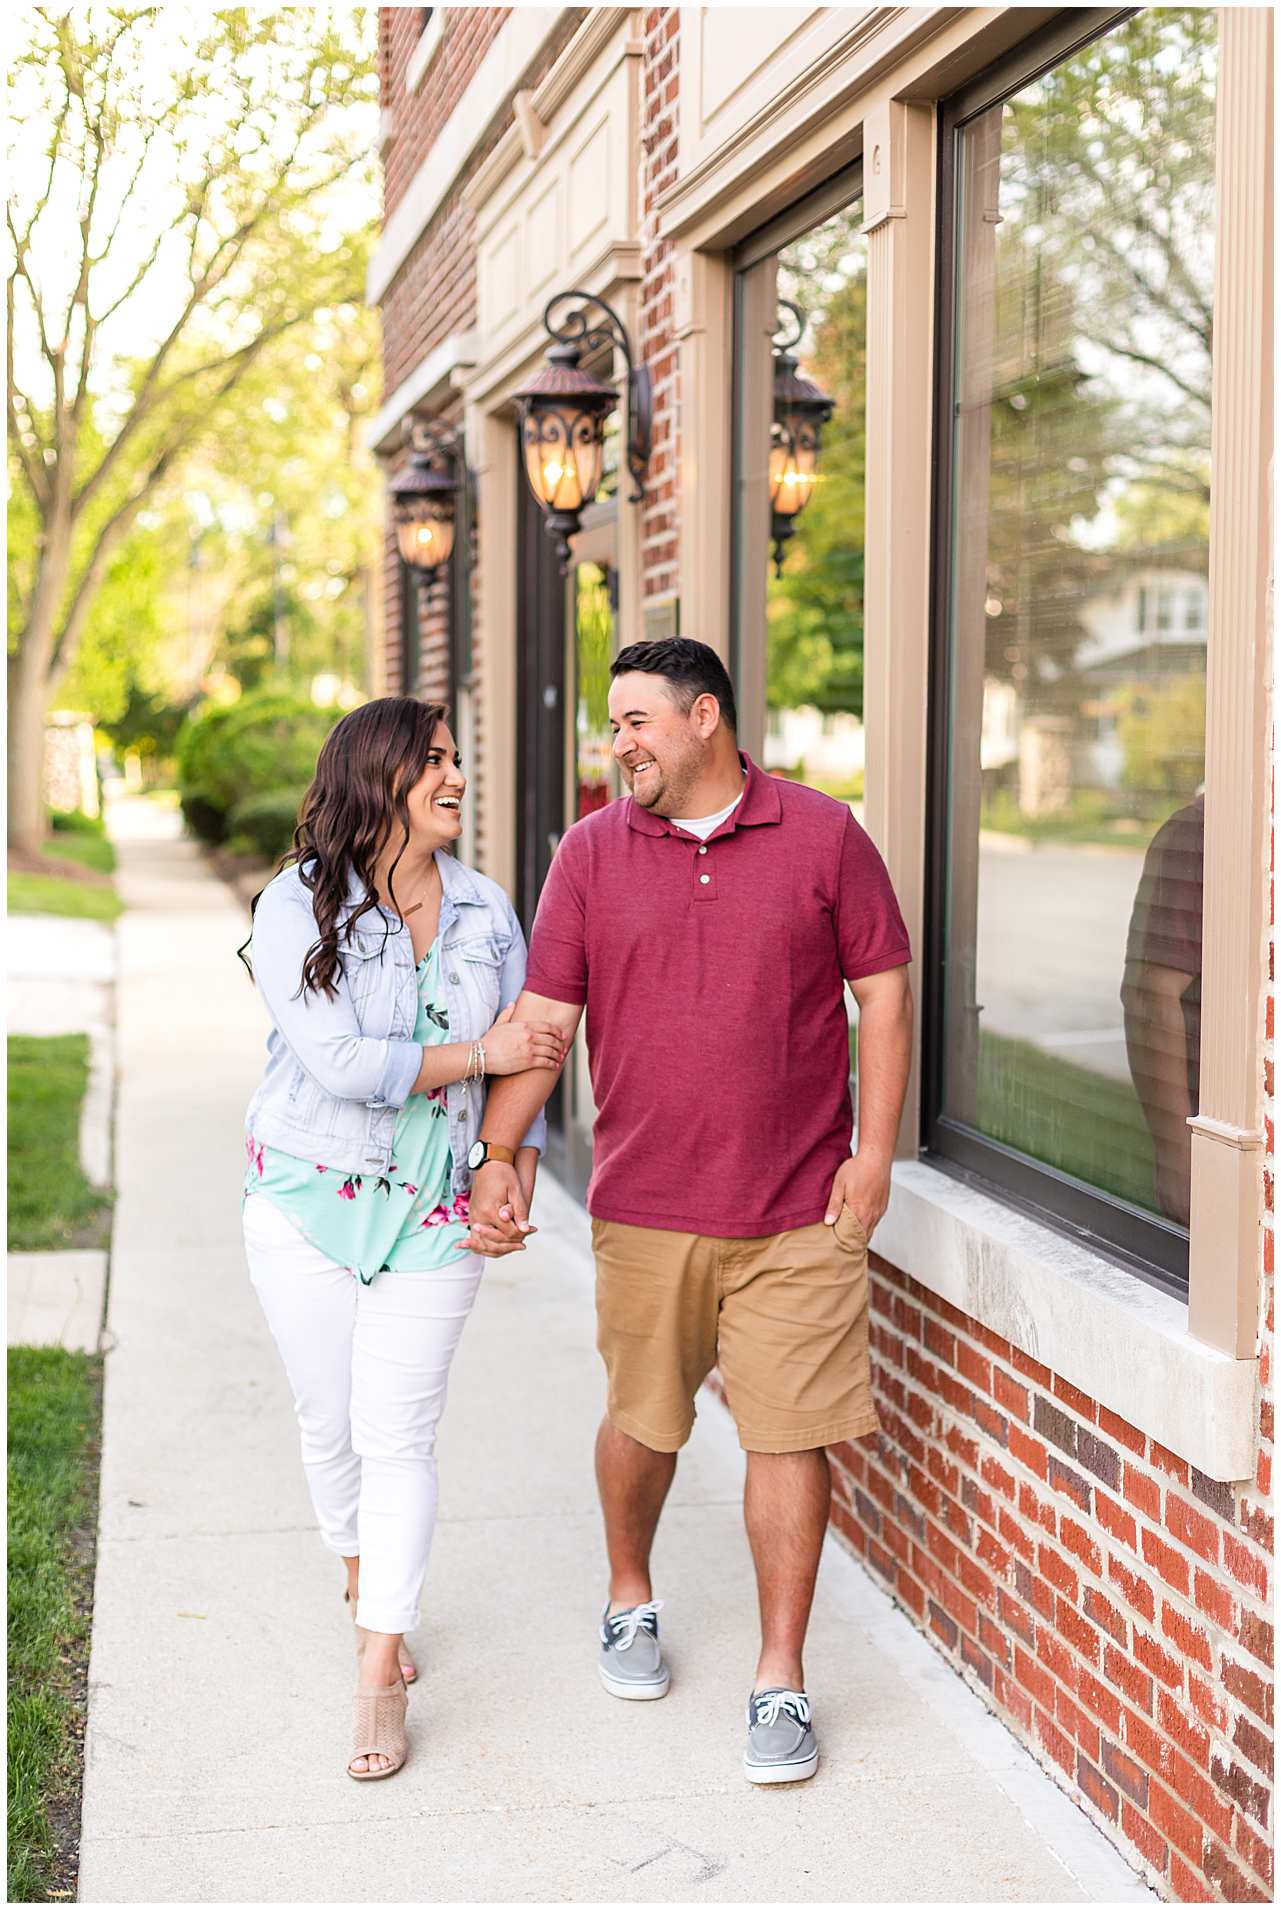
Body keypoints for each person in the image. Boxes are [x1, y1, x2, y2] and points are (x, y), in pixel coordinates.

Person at [462, 638, 913, 1785]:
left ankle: (780, 1674)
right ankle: (629, 1591)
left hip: (799, 1207)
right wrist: (500, 1149)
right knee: (646, 1420)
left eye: (636, 721)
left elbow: (884, 989)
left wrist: (875, 1154)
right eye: (614, 723)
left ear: (704, 717)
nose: (619, 744)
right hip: (648, 1201)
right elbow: (546, 1017)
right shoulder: (591, 854)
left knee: (788, 1433)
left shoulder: (821, 834)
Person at [239, 697, 567, 1781]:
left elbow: (540, 1044)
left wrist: (504, 1165)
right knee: (327, 1421)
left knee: (400, 1436)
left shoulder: (485, 909)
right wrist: (481, 1049)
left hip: (432, 1208)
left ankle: (378, 1666)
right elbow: (340, 1062)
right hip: (306, 1193)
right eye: (434, 759)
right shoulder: (300, 901)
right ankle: (360, 1569)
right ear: (377, 774)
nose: (457, 774)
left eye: (457, 757)